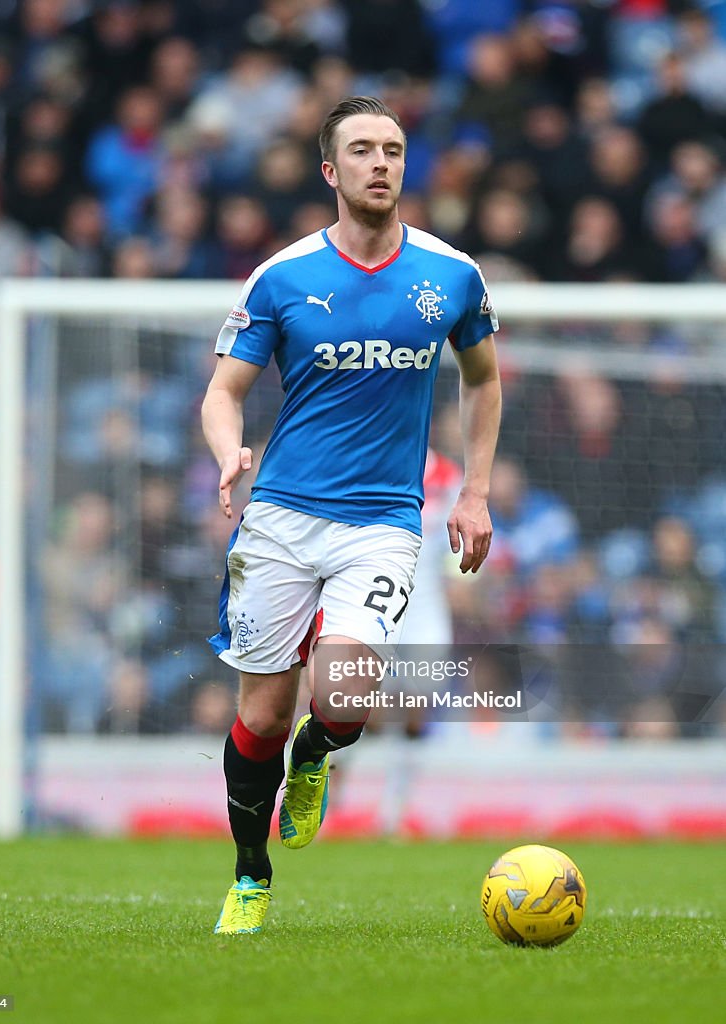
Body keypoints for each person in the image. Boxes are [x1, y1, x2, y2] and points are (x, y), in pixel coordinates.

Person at [201, 96, 501, 934]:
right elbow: (223, 392)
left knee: (344, 692)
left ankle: (317, 755)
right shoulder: (284, 277)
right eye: (362, 150)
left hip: (382, 521)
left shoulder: (451, 276)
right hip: (282, 517)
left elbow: (483, 378)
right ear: (331, 171)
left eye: (394, 149)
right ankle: (250, 876)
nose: (381, 163)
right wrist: (229, 450)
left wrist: (474, 489)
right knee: (260, 712)